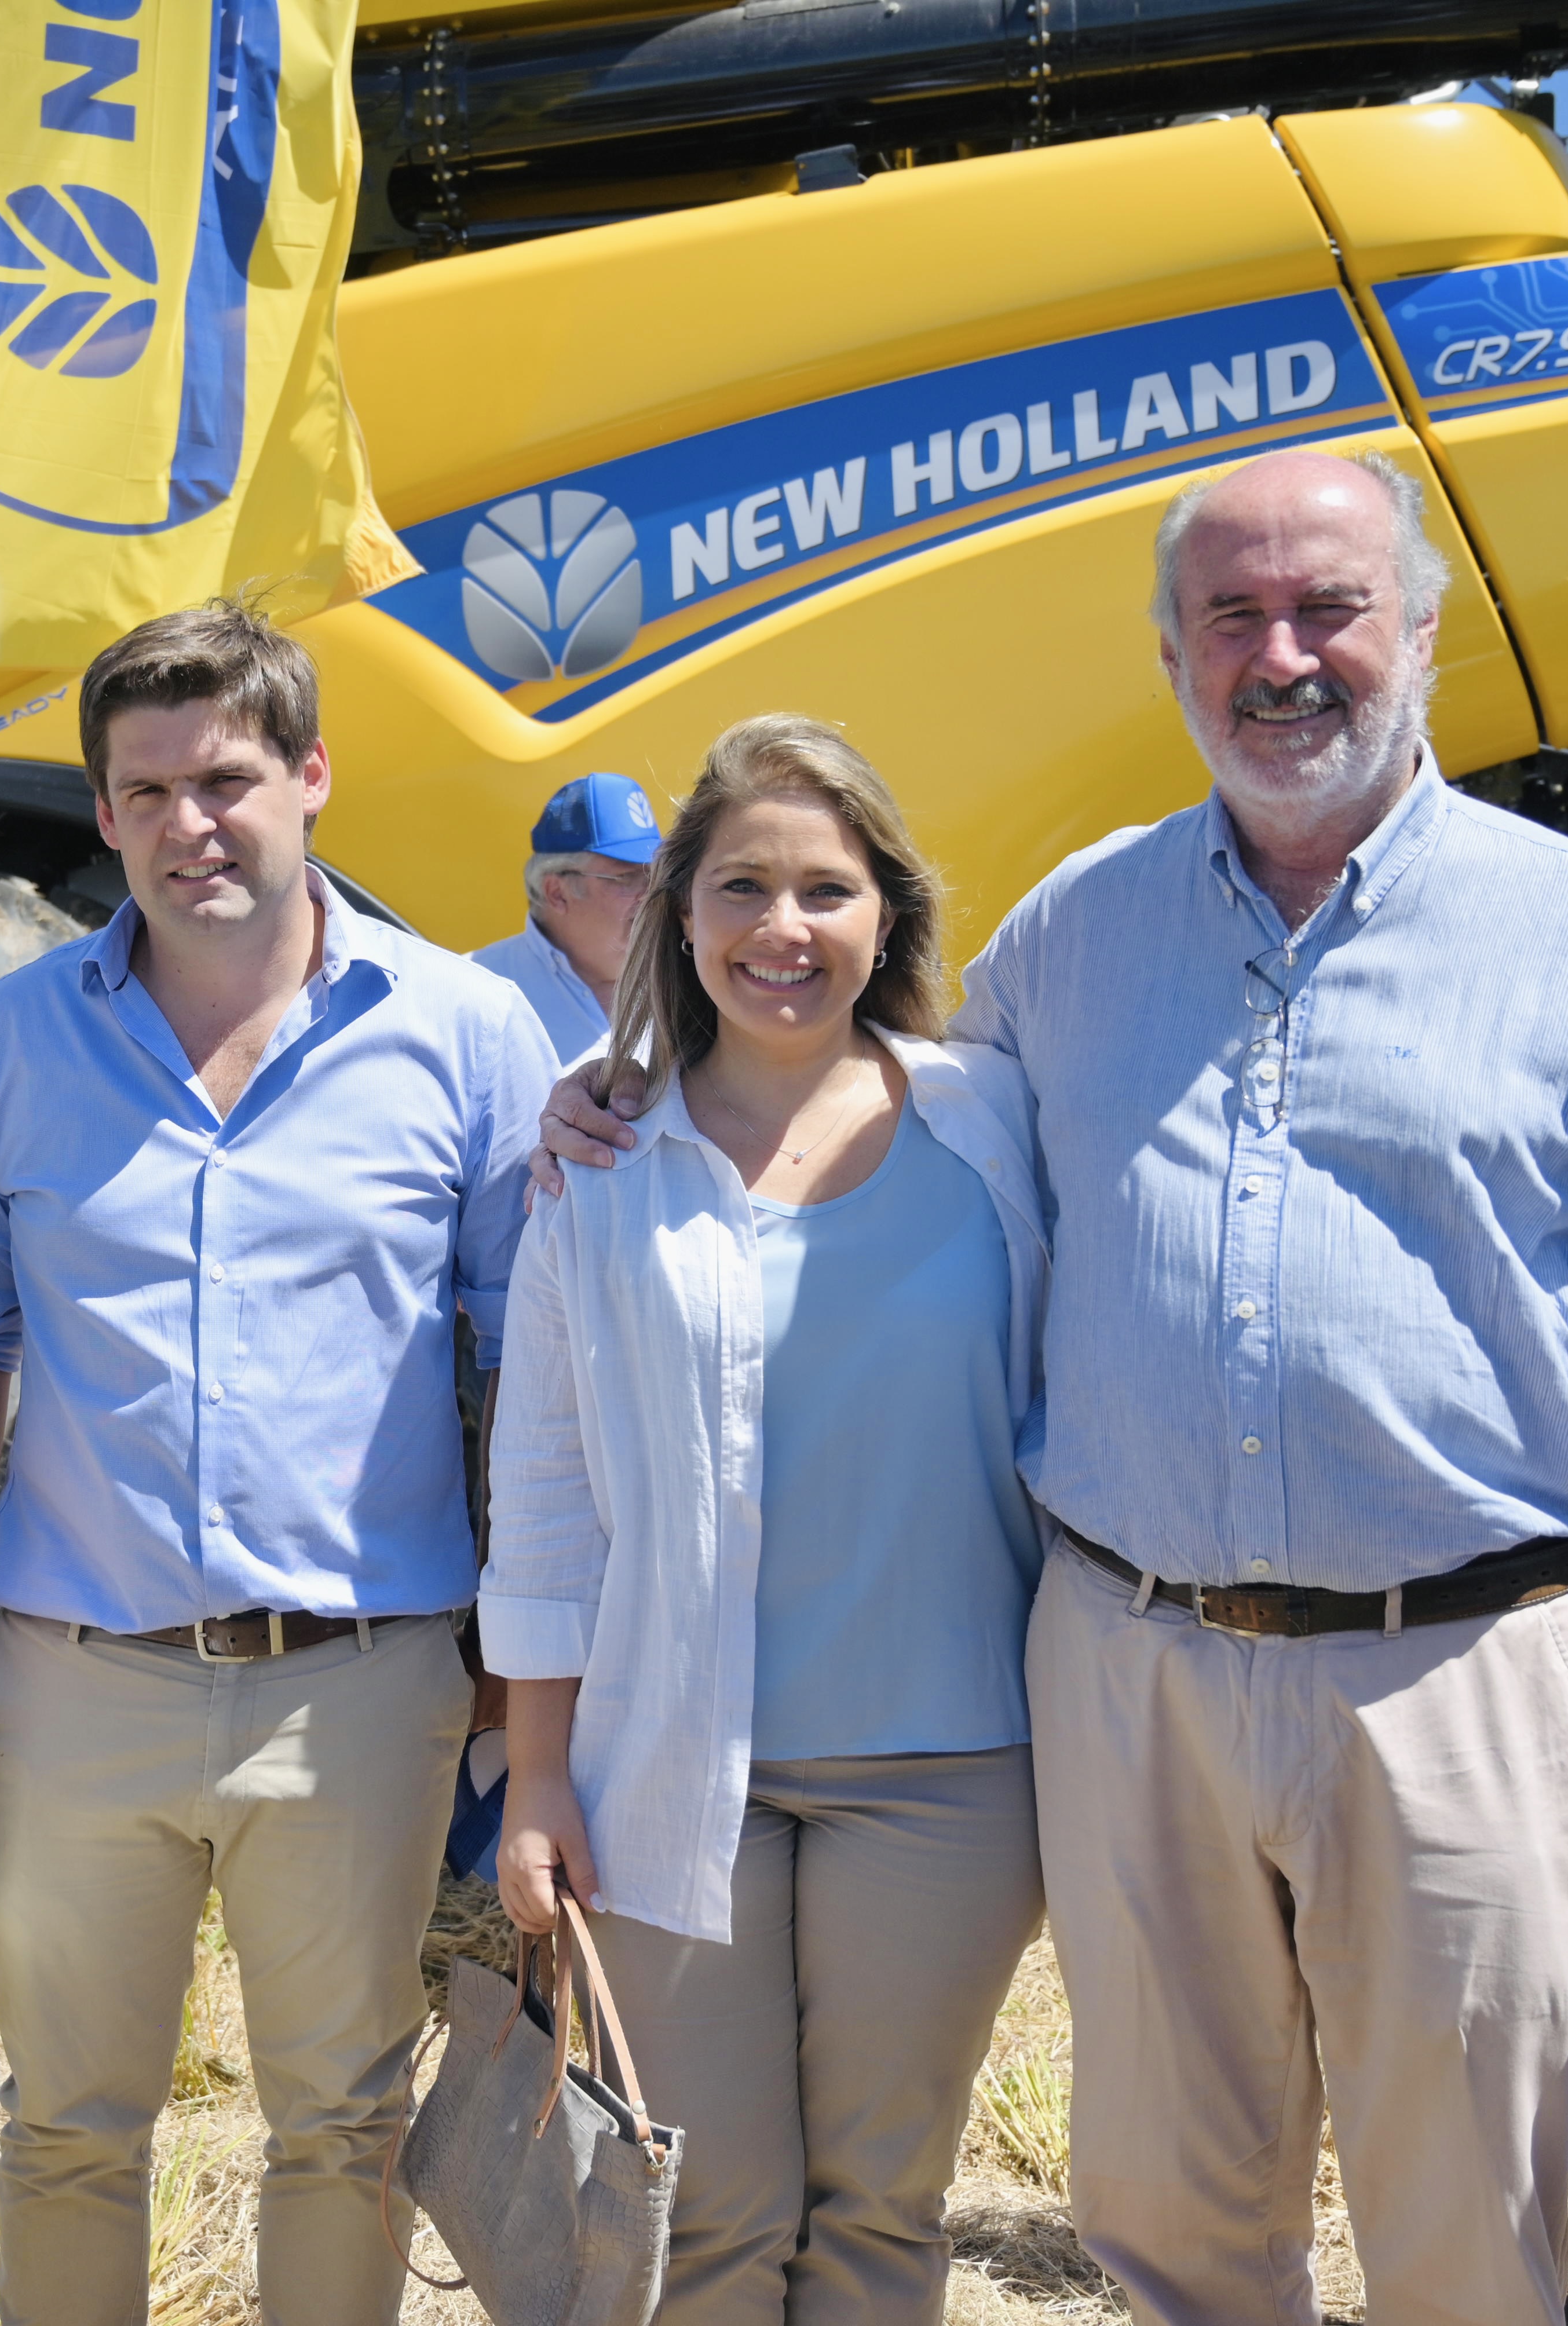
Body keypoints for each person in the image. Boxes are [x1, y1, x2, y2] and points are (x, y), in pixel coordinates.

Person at [538, 449, 1568, 2326]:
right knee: (1168, 2229)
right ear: (1167, 653)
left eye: (1328, 606)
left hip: (1458, 1677)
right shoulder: (1074, 933)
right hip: (1130, 1673)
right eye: (1231, 615)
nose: (1281, 654)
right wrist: (638, 1093)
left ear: (1421, 630)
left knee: (1465, 2234)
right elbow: (868, 1139)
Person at [0, 599, 558, 2322]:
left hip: (356, 1688)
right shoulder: (7, 1043)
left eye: (224, 779)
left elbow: (521, 1360)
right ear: (104, 812)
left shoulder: (461, 1032)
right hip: (72, 1683)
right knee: (63, 2126)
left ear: (310, 775)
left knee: (341, 2125)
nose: (186, 824)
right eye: (142, 792)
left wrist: (521, 1662)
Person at [487, 714, 1048, 2324]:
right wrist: (535, 1773)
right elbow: (544, 1495)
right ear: (679, 914)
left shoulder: (996, 1128)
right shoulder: (601, 1158)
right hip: (668, 1771)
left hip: (950, 1776)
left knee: (884, 2213)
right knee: (704, 2226)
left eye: (825, 890)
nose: (782, 932)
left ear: (889, 915)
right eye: (740, 888)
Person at [470, 769, 661, 1058]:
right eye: (626, 878)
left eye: (656, 875)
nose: (651, 894)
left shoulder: (695, 977)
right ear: (557, 893)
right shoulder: (473, 991)